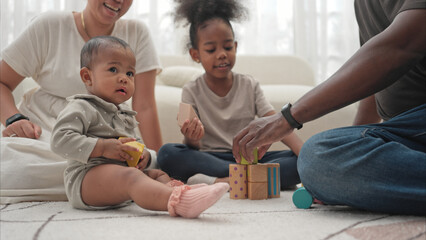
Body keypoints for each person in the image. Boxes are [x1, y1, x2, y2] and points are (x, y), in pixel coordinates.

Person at [233, 0, 426, 215]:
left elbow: (400, 46)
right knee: (319, 158)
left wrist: (287, 117)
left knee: (314, 156)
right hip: (406, 133)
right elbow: (375, 74)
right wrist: (352, 146)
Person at [0, 0, 163, 203]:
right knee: (13, 167)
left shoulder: (137, 33)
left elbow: (145, 107)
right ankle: (114, 182)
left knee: (124, 164)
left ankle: (118, 180)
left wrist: (155, 160)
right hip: (46, 137)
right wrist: (14, 119)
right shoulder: (49, 25)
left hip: (108, 137)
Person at [50, 36, 229, 218]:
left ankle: (181, 192)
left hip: (121, 178)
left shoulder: (125, 114)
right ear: (88, 77)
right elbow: (59, 140)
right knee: (131, 178)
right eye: (113, 69)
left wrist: (143, 156)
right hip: (86, 180)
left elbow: (137, 145)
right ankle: (180, 202)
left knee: (157, 174)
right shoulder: (82, 107)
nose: (124, 79)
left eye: (129, 74)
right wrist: (102, 147)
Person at [157, 0, 303, 187]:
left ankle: (225, 181)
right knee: (168, 154)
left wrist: (305, 154)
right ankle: (253, 179)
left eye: (227, 47)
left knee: (297, 160)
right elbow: (192, 146)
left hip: (249, 158)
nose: (221, 54)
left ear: (235, 46)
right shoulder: (191, 90)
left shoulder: (250, 85)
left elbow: (276, 124)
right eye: (211, 49)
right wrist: (192, 137)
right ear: (195, 55)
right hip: (211, 157)